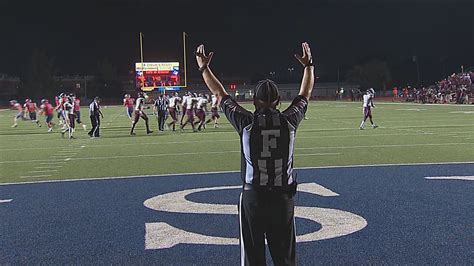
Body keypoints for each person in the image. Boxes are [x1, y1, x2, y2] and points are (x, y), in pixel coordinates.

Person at [195, 42, 314, 266]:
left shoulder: (246, 123)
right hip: (282, 198)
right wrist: (309, 66)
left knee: (252, 259)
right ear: (279, 101)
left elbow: (219, 94)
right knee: (285, 260)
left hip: (254, 198)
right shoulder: (289, 121)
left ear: (254, 101)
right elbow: (305, 94)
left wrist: (204, 68)